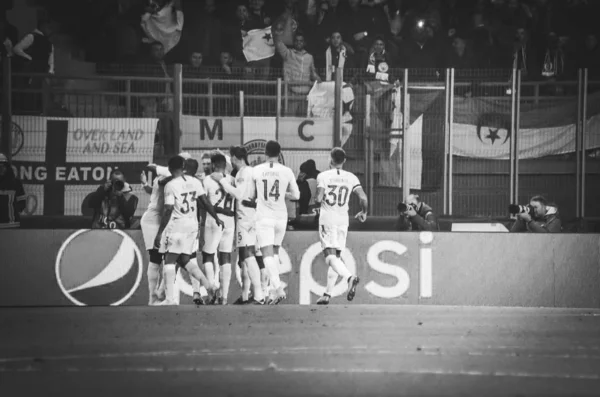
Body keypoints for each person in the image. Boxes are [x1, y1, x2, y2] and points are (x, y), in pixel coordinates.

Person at [154, 156, 223, 306]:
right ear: (183, 166)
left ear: (170, 169)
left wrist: (160, 233)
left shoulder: (171, 185)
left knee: (169, 261)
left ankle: (170, 299)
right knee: (185, 260)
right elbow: (205, 202)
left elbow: (169, 209)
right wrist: (216, 217)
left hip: (177, 226)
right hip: (192, 226)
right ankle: (209, 286)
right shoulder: (195, 182)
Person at [211, 146, 265, 305]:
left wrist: (220, 180)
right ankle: (249, 295)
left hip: (245, 217)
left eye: (231, 158)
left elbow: (239, 194)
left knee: (248, 255)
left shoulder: (242, 173)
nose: (230, 161)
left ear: (235, 158)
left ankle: (259, 296)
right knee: (245, 257)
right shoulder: (251, 170)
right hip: (251, 215)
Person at [313, 147, 366, 305]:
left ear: (330, 159)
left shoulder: (323, 176)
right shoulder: (351, 177)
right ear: (344, 161)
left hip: (328, 218)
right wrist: (364, 211)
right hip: (343, 220)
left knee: (330, 257)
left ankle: (350, 277)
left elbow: (318, 198)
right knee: (336, 256)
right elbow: (363, 197)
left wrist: (319, 201)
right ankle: (327, 294)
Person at [252, 141, 300, 304]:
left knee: (266, 256)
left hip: (264, 217)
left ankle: (278, 288)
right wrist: (283, 194)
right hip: (281, 217)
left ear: (265, 153)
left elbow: (252, 195)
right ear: (279, 154)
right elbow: (297, 195)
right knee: (275, 254)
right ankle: (272, 292)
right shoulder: (286, 171)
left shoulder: (257, 170)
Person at [201, 153, 236, 305]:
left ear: (214, 165)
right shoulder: (232, 180)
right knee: (225, 256)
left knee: (208, 255)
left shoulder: (207, 180)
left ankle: (211, 291)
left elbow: (203, 202)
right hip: (230, 221)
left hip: (214, 220)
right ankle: (224, 296)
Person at [0, 153, 26, 229]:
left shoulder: (16, 183)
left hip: (12, 226)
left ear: (7, 167)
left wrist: (12, 213)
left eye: (3, 166)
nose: (1, 169)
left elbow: (22, 203)